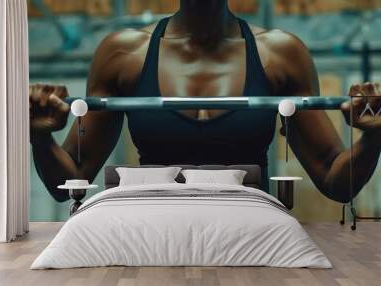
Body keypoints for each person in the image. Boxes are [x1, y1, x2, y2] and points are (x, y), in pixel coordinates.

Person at [30, 0, 381, 203]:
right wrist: (40, 137)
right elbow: (71, 181)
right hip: (152, 226)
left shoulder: (281, 53)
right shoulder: (123, 53)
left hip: (250, 230)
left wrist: (373, 136)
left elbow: (337, 184)